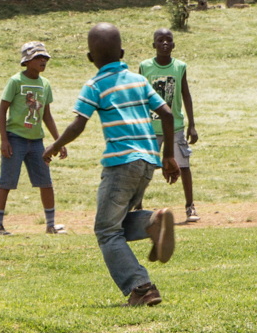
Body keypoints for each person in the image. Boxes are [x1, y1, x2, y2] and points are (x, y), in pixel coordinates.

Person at [43, 22, 180, 307]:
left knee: (106, 231)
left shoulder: (95, 85)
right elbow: (167, 114)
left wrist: (56, 145)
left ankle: (141, 288)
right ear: (122, 52)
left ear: (90, 58)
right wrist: (168, 156)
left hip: (121, 164)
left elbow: (79, 123)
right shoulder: (138, 80)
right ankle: (151, 223)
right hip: (147, 162)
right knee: (114, 225)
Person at [0, 41, 67, 236]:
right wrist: (4, 139)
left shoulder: (45, 84)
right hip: (15, 138)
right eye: (38, 57)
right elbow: (2, 110)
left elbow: (47, 115)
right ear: (26, 61)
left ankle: (51, 225)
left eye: (45, 58)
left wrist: (59, 141)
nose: (43, 61)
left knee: (46, 182)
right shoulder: (15, 81)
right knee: (6, 181)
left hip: (36, 141)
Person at [140, 28, 200, 222]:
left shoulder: (179, 66)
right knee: (143, 167)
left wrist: (192, 124)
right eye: (160, 40)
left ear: (174, 44)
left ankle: (190, 206)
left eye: (168, 40)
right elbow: (139, 96)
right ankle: (137, 206)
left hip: (174, 127)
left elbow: (186, 95)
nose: (165, 43)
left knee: (183, 165)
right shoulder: (145, 67)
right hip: (150, 127)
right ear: (154, 45)